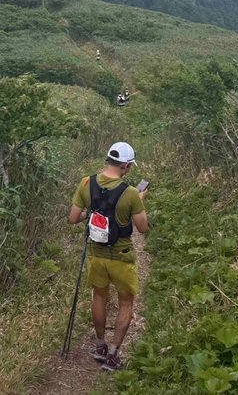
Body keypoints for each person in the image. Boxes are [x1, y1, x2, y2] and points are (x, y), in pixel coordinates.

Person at [67, 141, 149, 371]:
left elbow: (73, 218)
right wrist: (139, 202)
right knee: (126, 302)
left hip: (96, 253)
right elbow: (143, 228)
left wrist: (91, 212)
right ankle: (113, 355)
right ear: (125, 166)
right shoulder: (131, 193)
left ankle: (100, 344)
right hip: (121, 256)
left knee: (99, 297)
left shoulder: (86, 183)